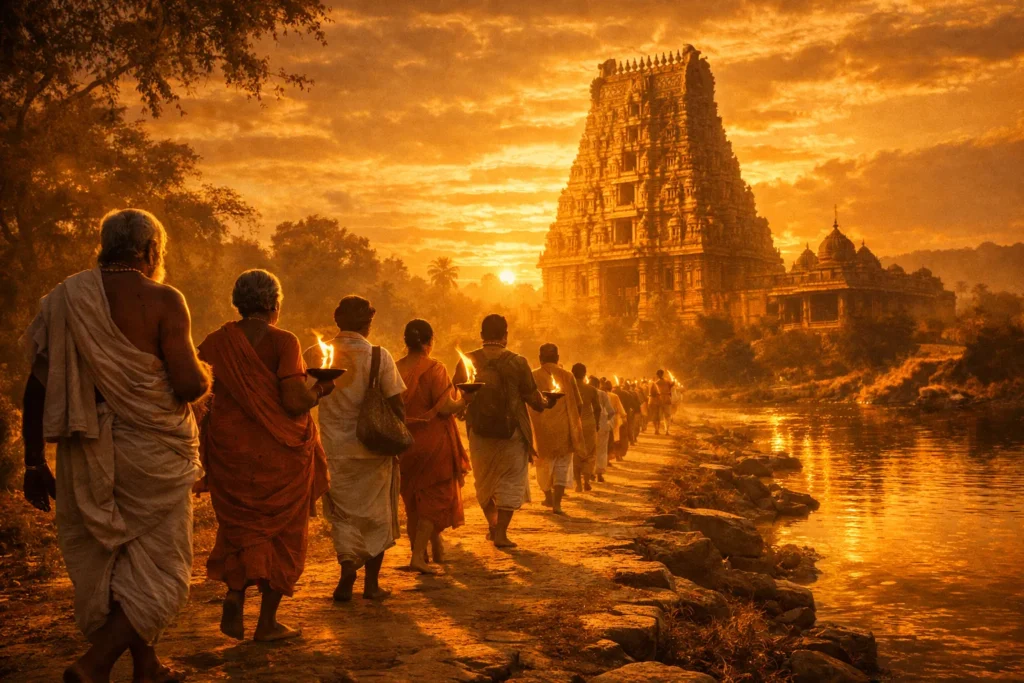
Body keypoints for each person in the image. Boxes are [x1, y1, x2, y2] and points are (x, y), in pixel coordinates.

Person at [21, 209, 211, 683]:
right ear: (151, 252)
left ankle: (147, 665)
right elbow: (188, 385)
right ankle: (93, 665)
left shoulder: (64, 299)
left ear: (105, 246)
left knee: (114, 561)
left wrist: (31, 461)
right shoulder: (164, 299)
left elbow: (37, 385)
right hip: (151, 452)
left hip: (84, 450)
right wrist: (208, 373)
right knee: (163, 571)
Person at [197, 269, 333, 641]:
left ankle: (235, 593)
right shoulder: (283, 341)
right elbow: (293, 402)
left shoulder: (213, 343)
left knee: (241, 527)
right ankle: (267, 623)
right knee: (283, 532)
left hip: (230, 452)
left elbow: (198, 398)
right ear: (275, 305)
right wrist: (320, 390)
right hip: (278, 453)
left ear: (238, 303)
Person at [308, 296, 406, 602]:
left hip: (334, 449)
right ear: (368, 323)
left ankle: (348, 564)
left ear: (337, 320)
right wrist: (399, 435)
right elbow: (396, 403)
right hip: (373, 449)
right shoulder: (379, 356)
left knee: (344, 515)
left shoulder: (314, 354)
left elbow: (299, 398)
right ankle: (371, 584)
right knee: (377, 516)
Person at [454, 314, 554, 548]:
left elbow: (455, 394)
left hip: (479, 432)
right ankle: (501, 533)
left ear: (482, 335)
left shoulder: (467, 360)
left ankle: (492, 524)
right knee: (510, 481)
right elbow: (533, 398)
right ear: (505, 336)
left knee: (484, 482)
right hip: (513, 433)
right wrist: (548, 402)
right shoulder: (518, 362)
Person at [395, 319, 471, 574]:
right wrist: (467, 399)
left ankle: (432, 550)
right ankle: (418, 556)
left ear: (406, 341)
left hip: (405, 443)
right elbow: (447, 407)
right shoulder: (436, 368)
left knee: (413, 500)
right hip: (433, 441)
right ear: (430, 342)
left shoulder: (394, 368)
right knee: (435, 498)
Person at [528, 344, 584, 513]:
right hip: (564, 429)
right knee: (562, 466)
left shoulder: (532, 376)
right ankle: (557, 504)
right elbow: (579, 403)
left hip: (540, 430)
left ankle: (548, 497)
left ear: (540, 358)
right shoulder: (568, 376)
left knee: (543, 466)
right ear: (558, 358)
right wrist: (574, 423)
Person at [571, 363, 601, 490]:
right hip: (589, 423)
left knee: (575, 453)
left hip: (573, 423)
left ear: (572, 373)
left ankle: (578, 483)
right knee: (590, 453)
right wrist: (597, 423)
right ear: (584, 374)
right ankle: (587, 481)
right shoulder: (591, 389)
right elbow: (598, 409)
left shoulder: (568, 389)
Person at [590, 376, 614, 482]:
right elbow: (611, 411)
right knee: (602, 450)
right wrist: (606, 420)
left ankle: (590, 473)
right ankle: (599, 473)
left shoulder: (585, 393)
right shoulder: (603, 394)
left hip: (588, 425)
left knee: (590, 450)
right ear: (598, 385)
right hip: (602, 425)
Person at [603, 379, 628, 460]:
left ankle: (606, 458)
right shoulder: (614, 396)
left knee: (606, 440)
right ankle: (617, 455)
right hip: (614, 419)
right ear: (611, 388)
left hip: (603, 419)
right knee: (615, 439)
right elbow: (620, 408)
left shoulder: (601, 395)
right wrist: (624, 418)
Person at [651, 370, 676, 435]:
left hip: (661, 400)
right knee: (664, 416)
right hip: (662, 400)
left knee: (662, 416)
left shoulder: (655, 383)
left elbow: (652, 393)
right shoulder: (657, 382)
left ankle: (662, 430)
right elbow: (673, 383)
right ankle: (661, 430)